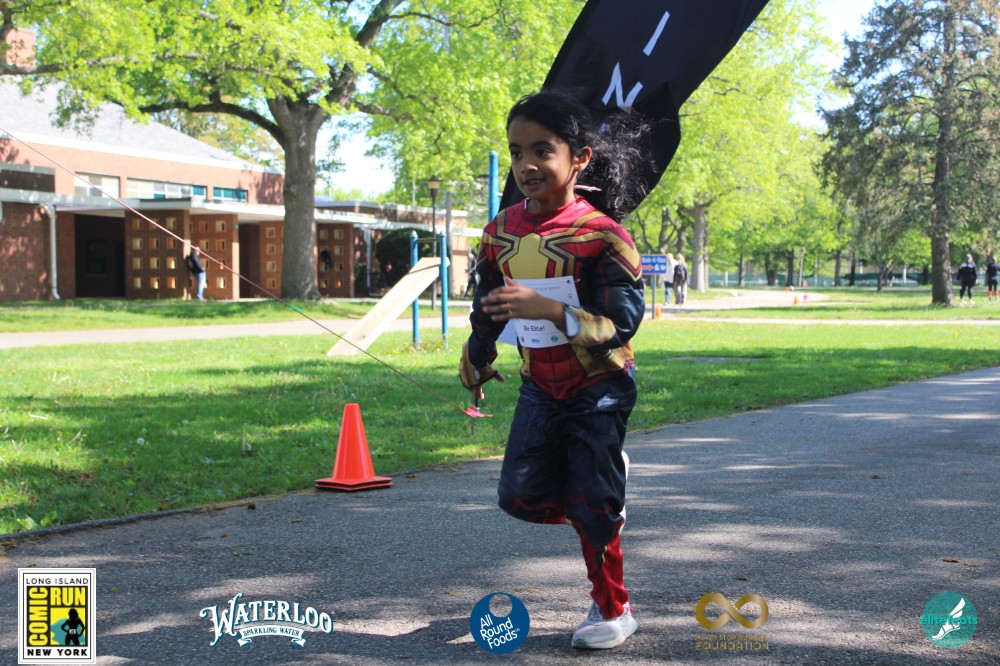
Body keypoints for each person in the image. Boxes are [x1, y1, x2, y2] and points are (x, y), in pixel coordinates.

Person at [459, 91, 649, 650]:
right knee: (518, 495)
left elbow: (621, 325)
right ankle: (602, 491)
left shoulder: (604, 236)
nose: (527, 165)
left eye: (543, 150)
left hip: (600, 385)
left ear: (580, 158)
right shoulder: (498, 233)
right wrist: (477, 355)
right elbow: (489, 306)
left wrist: (550, 310)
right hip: (539, 384)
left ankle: (613, 607)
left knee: (591, 506)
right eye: (517, 152)